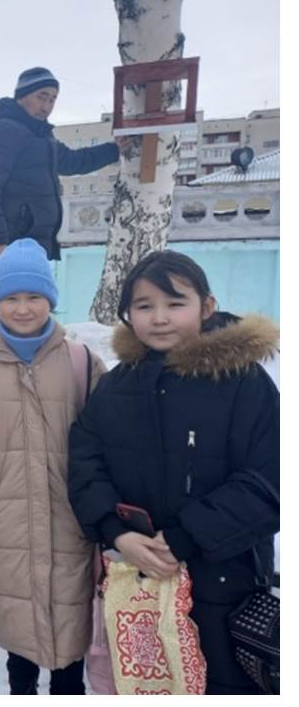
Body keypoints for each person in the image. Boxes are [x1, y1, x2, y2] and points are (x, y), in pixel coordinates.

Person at [67, 250, 279, 695]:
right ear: (128, 315)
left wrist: (186, 536)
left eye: (175, 303)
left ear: (207, 306)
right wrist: (115, 532)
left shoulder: (242, 383)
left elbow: (269, 481)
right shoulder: (116, 387)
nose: (160, 318)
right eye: (144, 306)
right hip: (136, 583)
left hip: (223, 589)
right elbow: (85, 463)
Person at [0, 239, 106, 694]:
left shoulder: (82, 363)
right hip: (5, 526)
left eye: (34, 296)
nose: (23, 308)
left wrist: (96, 505)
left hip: (69, 525)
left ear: (50, 299)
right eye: (11, 297)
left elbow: (108, 438)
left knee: (70, 635)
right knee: (19, 637)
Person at [0, 67, 125, 286]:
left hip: (31, 242)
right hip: (7, 243)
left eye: (52, 99)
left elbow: (72, 161)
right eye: (41, 97)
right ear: (22, 96)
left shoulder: (41, 135)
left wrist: (114, 150)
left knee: (31, 302)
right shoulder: (0, 129)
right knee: (18, 303)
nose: (47, 107)